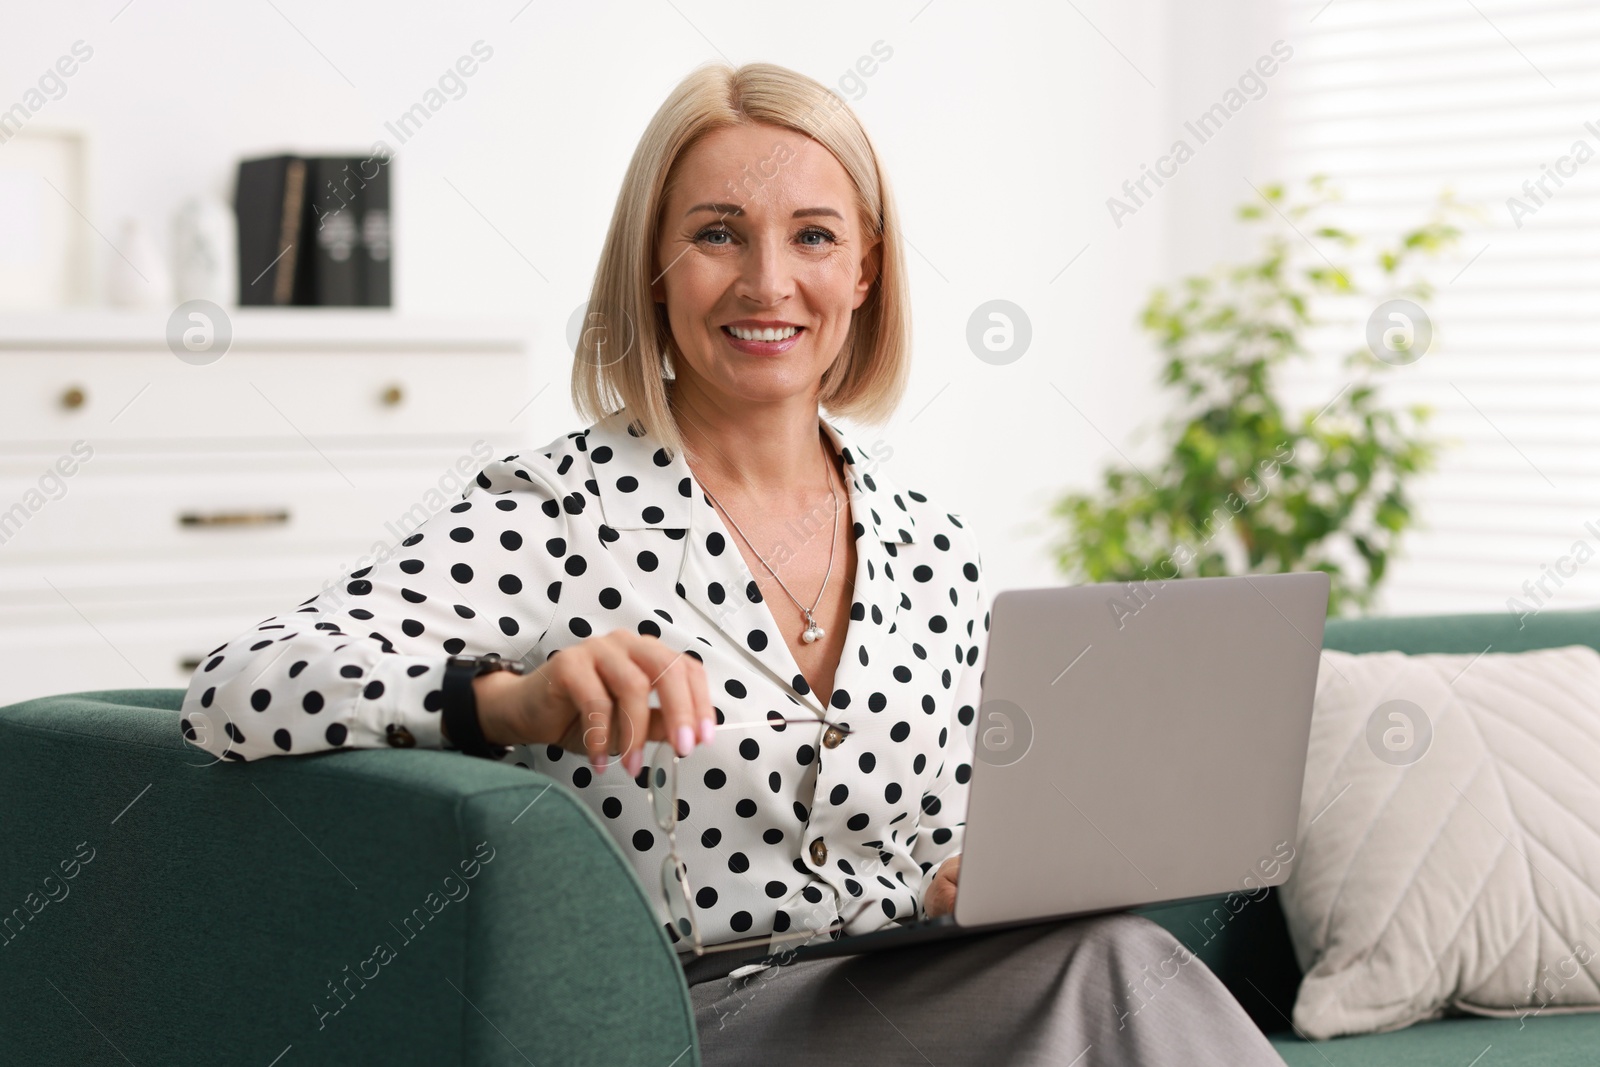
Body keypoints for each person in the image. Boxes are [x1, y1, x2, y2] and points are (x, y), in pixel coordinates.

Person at [183, 61, 1286, 1066]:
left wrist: (967, 878)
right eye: (718, 233)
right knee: (1103, 974)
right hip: (672, 1019)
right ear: (654, 270)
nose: (768, 282)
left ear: (864, 272)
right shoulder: (554, 510)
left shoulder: (929, 540)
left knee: (1099, 952)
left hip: (906, 992)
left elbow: (945, 819)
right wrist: (513, 701)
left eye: (812, 236)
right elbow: (235, 688)